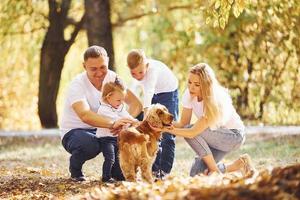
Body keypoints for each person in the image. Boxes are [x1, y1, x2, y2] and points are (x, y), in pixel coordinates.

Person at [152, 63, 255, 176]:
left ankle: (214, 171)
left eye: (197, 84)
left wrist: (164, 129)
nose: (191, 87)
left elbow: (192, 133)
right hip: (213, 137)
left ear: (206, 85)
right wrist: (160, 123)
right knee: (197, 173)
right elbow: (182, 124)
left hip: (233, 136)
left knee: (190, 129)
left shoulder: (214, 100)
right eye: (189, 82)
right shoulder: (189, 94)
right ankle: (239, 164)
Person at [60, 45, 142, 182]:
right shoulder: (77, 84)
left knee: (120, 173)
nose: (99, 73)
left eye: (102, 67)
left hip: (105, 129)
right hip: (75, 132)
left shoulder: (113, 78)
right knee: (91, 144)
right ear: (84, 66)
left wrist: (125, 124)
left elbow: (136, 104)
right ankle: (75, 168)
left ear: (108, 62)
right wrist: (113, 123)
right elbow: (84, 115)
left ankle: (117, 170)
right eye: (93, 69)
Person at [126, 49, 179, 179]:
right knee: (151, 133)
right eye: (133, 73)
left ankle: (165, 170)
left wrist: (145, 116)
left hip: (168, 92)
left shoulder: (153, 70)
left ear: (147, 66)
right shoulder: (137, 74)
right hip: (154, 93)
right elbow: (133, 91)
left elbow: (148, 92)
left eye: (141, 72)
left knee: (167, 132)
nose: (138, 76)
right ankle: (154, 169)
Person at [96, 80, 138, 183]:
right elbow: (118, 120)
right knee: (110, 158)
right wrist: (128, 122)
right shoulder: (103, 110)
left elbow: (125, 115)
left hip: (116, 138)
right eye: (118, 100)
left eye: (122, 100)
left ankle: (118, 175)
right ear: (108, 97)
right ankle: (106, 177)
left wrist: (134, 121)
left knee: (119, 157)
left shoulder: (119, 107)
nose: (121, 103)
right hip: (105, 139)